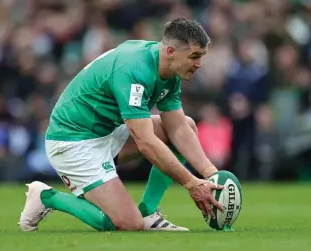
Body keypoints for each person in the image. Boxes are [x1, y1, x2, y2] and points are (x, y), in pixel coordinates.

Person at [18, 18, 224, 232]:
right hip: (73, 142)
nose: (199, 64)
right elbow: (145, 142)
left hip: (107, 132)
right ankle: (46, 197)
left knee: (187, 125)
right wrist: (191, 183)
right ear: (171, 51)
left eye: (201, 56)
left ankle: (149, 213)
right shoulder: (135, 69)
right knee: (128, 224)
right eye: (194, 56)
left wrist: (211, 174)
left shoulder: (170, 71)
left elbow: (178, 128)